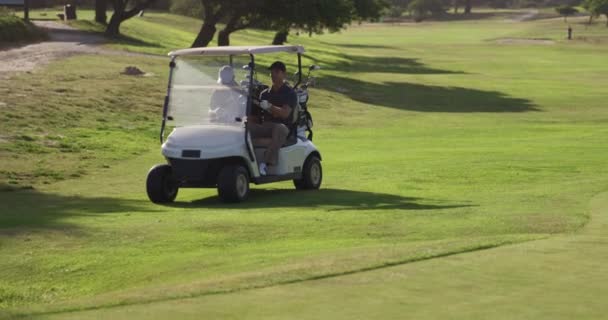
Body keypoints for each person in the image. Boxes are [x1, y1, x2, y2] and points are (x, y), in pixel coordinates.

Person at [248, 61, 297, 175]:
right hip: (266, 126)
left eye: (277, 72)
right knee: (244, 128)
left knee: (279, 128)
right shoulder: (264, 94)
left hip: (283, 128)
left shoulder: (289, 93)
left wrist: (270, 107)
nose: (273, 75)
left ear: (284, 74)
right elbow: (256, 116)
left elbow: (285, 114)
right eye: (271, 72)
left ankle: (265, 164)